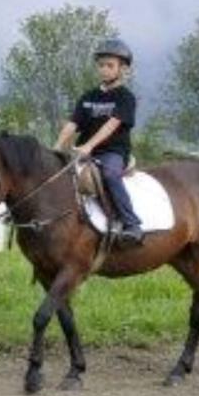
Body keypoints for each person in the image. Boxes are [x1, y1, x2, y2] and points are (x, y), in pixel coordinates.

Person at [56, 36, 145, 247]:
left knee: (110, 175)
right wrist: (57, 146)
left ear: (122, 69)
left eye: (110, 65)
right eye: (101, 65)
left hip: (112, 153)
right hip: (84, 152)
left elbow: (111, 125)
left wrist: (89, 146)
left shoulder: (125, 97)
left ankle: (132, 224)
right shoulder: (88, 96)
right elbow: (72, 124)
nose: (104, 69)